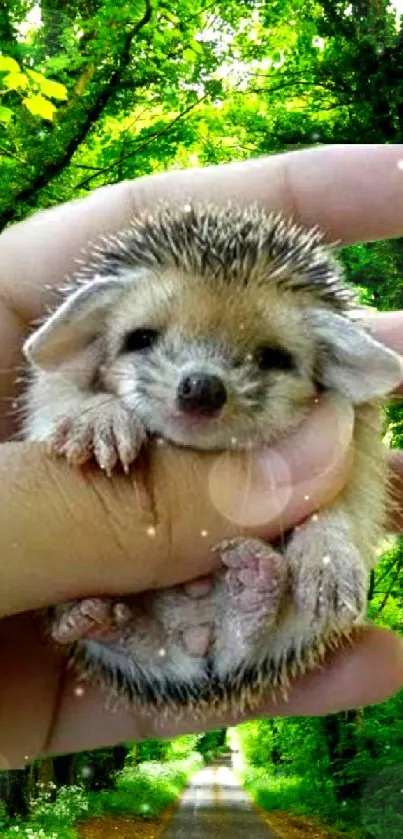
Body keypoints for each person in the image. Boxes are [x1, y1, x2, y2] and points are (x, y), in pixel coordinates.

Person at [0, 143, 403, 770]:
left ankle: (217, 617)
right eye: (144, 339)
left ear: (331, 370)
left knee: (325, 545)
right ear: (90, 337)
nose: (199, 384)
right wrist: (89, 414)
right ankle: (147, 626)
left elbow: (355, 496)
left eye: (271, 357)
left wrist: (326, 534)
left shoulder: (344, 414)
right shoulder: (75, 374)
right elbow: (53, 398)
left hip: (249, 638)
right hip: (151, 637)